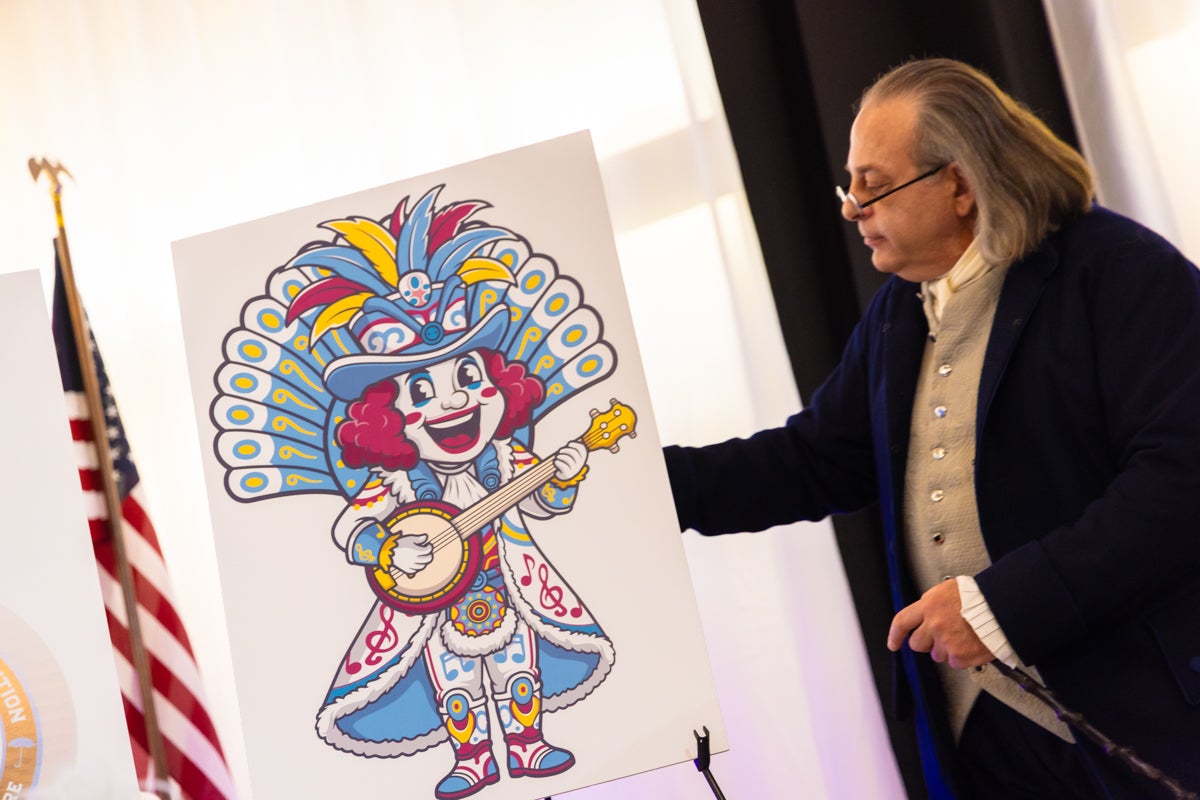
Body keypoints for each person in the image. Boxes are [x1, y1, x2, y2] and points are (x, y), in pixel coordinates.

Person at [663, 58, 1200, 799]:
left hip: (1143, 713)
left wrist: (1001, 604)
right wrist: (645, 490)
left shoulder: (1117, 271)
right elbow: (813, 459)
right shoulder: (897, 316)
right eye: (849, 187)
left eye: (874, 187)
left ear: (960, 183)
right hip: (979, 743)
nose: (852, 210)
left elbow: (1181, 482)